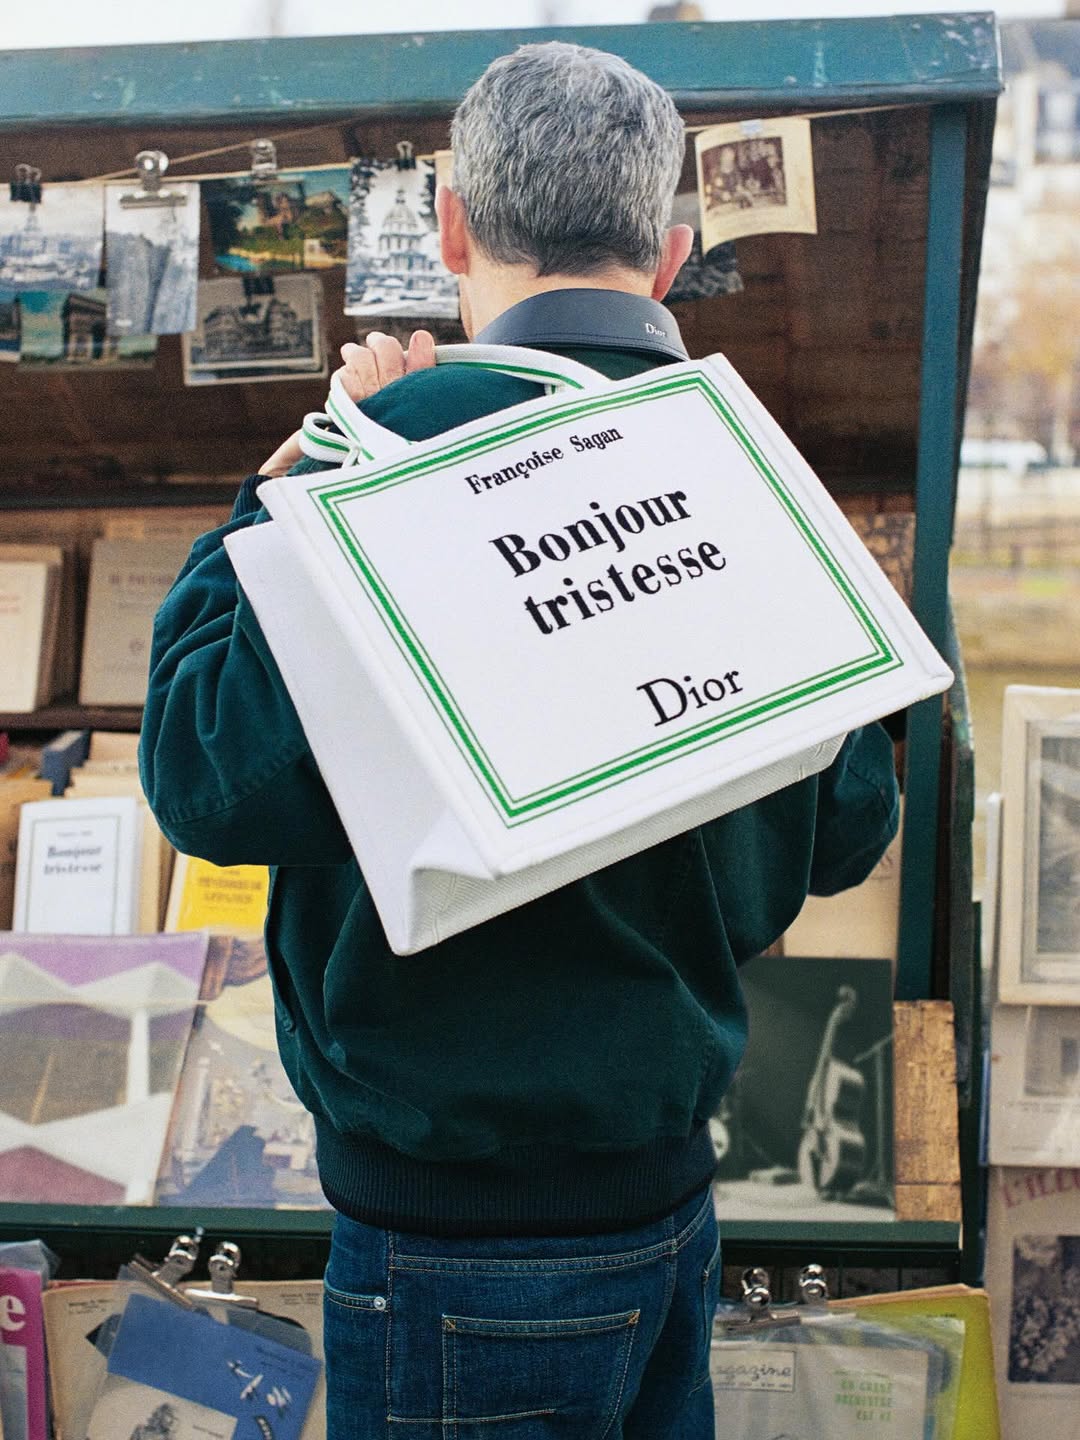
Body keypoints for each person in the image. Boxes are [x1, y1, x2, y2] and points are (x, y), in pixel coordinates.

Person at [140, 41, 900, 1439]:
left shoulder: (379, 452)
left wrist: (283, 487)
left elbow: (200, 774)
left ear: (450, 229)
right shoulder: (751, 470)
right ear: (669, 254)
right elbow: (850, 829)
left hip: (447, 1234)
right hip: (672, 1208)